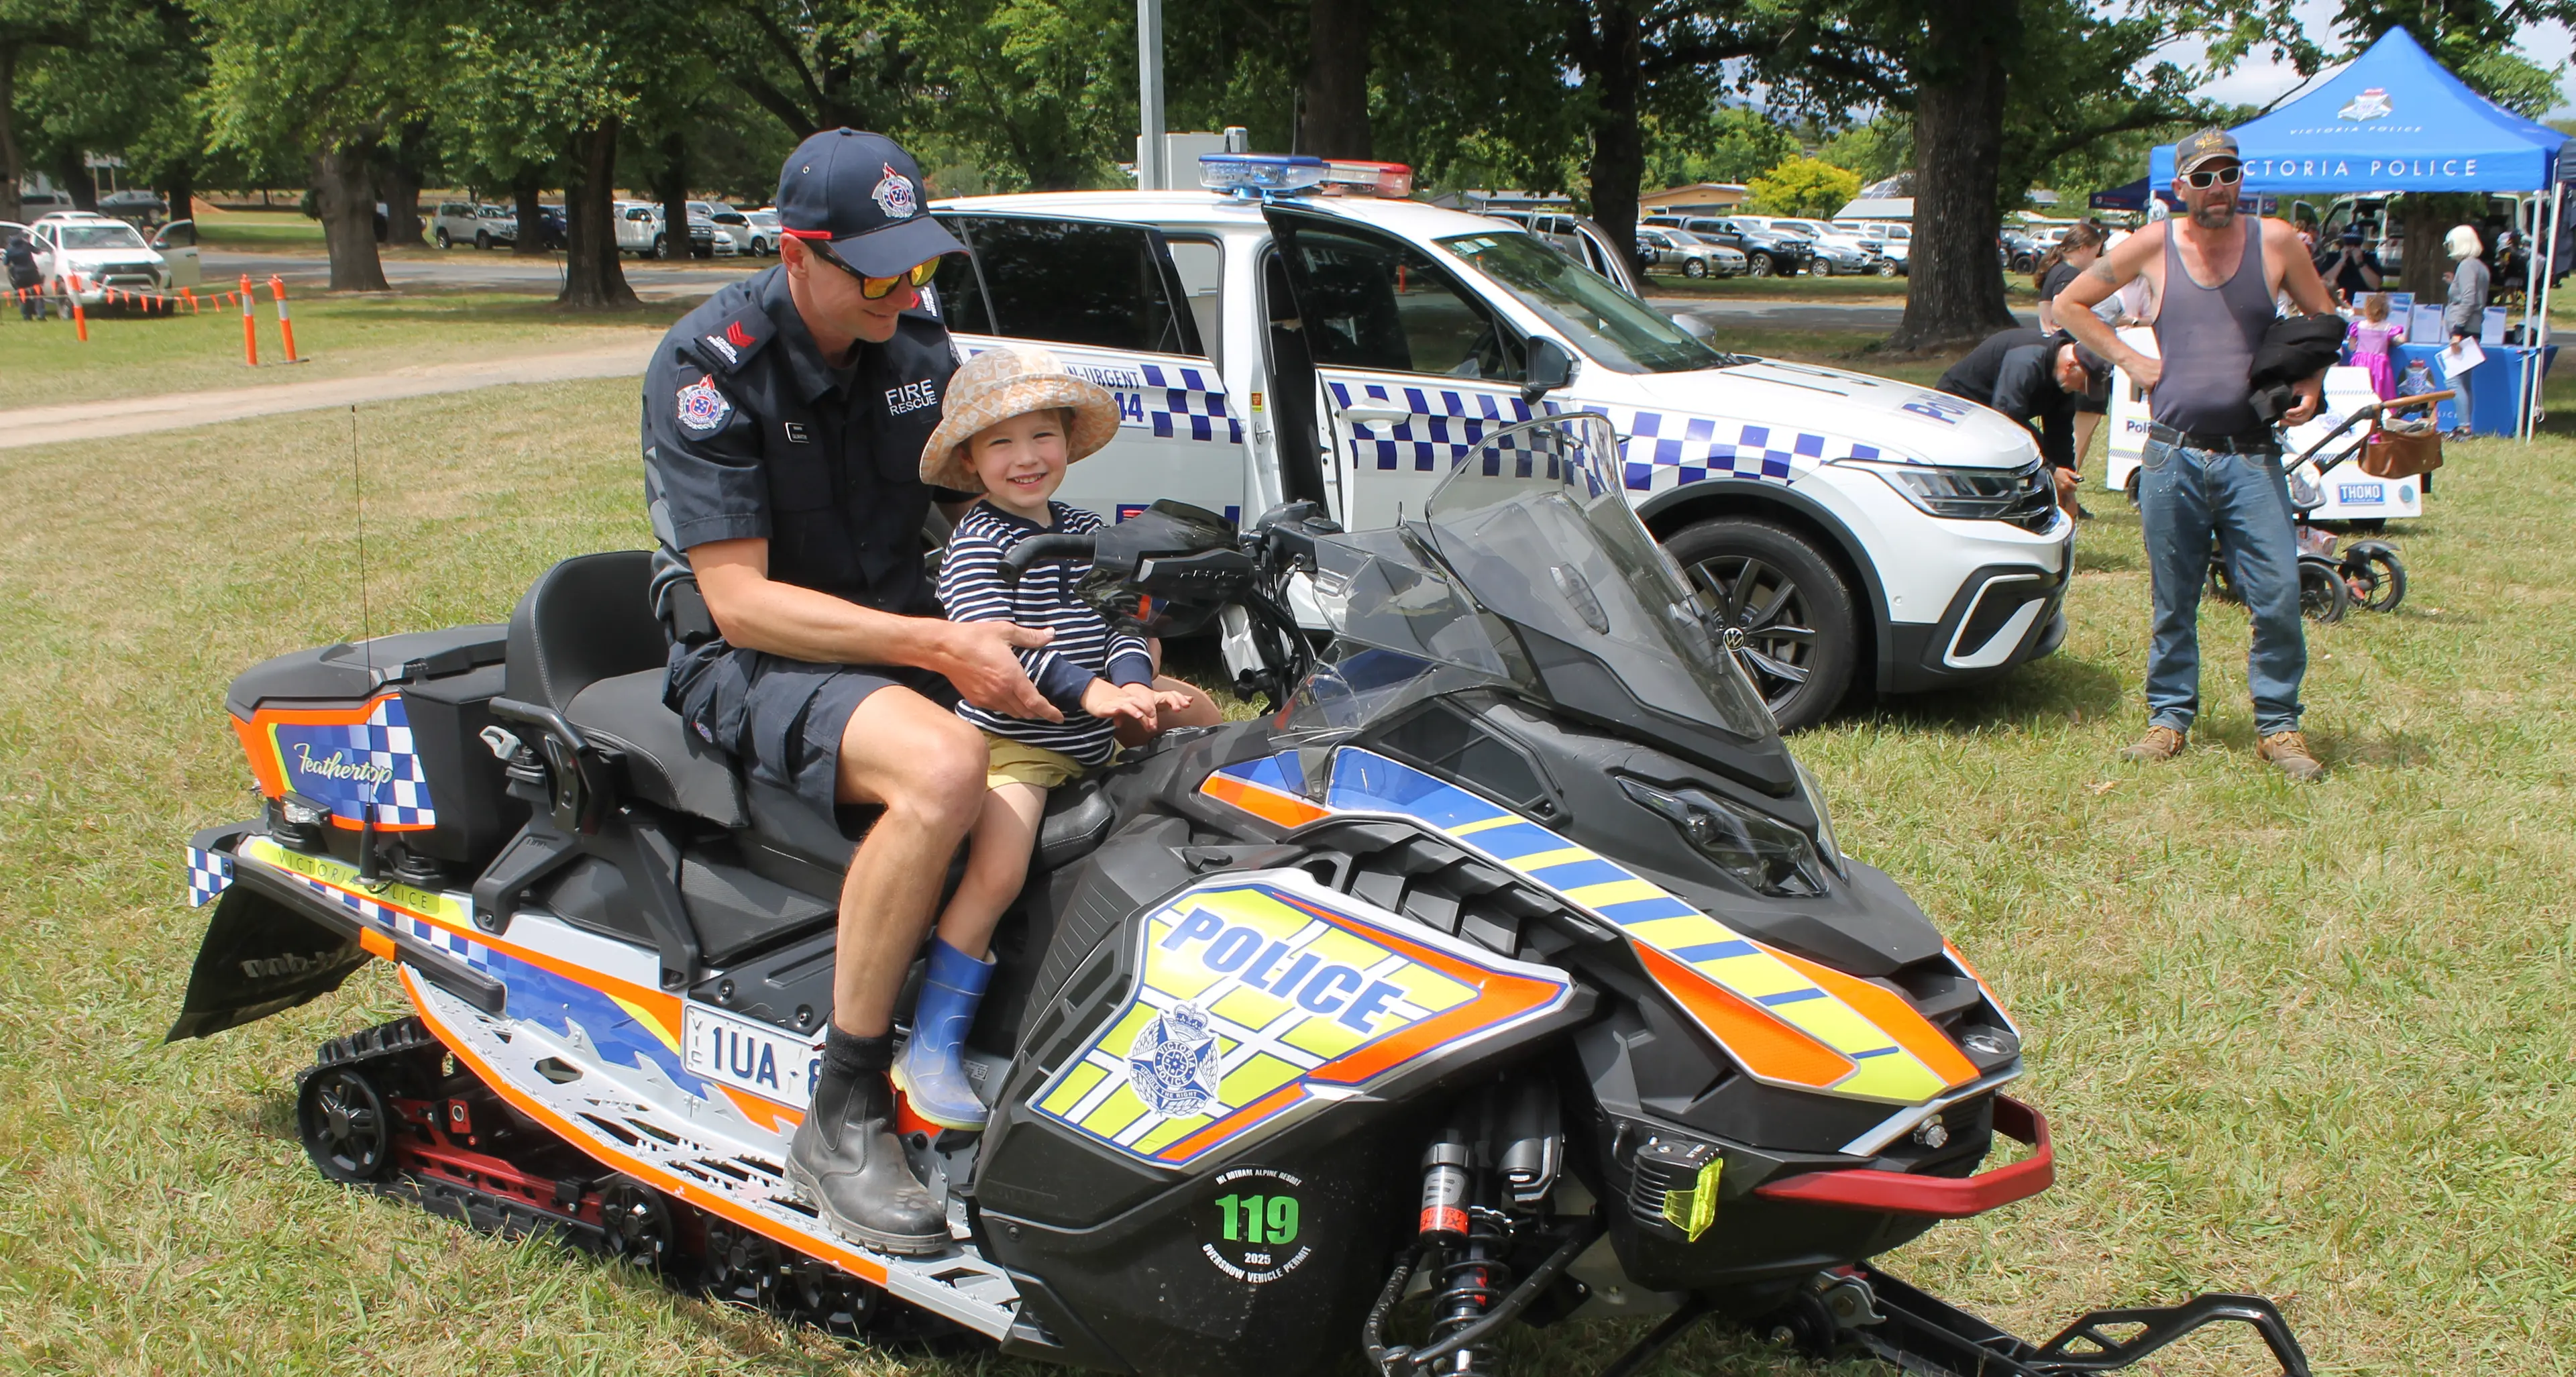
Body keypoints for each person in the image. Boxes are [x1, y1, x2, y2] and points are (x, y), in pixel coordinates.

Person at [641, 128, 1052, 1254]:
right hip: (760, 658)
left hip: (897, 630)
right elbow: (742, 603)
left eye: (917, 264)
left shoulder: (915, 340)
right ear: (796, 254)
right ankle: (845, 1105)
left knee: (1103, 731)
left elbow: (978, 496)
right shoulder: (709, 365)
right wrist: (940, 646)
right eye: (877, 269)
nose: (904, 290)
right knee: (947, 766)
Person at [898, 345, 1218, 1130]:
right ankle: (934, 1039)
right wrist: (1094, 692)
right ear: (970, 461)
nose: (1026, 458)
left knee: (1206, 716)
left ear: (1066, 442)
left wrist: (1137, 678)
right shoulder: (975, 545)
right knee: (997, 871)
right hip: (1018, 736)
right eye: (1001, 443)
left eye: (1041, 436)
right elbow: (1002, 649)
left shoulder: (1081, 528)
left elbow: (1119, 616)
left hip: (1098, 716)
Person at [2054, 126, 2335, 783]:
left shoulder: (2277, 243)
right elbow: (2069, 303)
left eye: (2228, 174)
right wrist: (2130, 359)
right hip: (2171, 455)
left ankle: (2279, 726)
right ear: (2179, 187)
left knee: (2278, 595)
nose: (2218, 188)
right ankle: (2169, 719)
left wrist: (2312, 386)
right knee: (2173, 597)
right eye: (2203, 177)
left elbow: (2325, 321)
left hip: (2253, 456)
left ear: (2242, 178)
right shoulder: (2153, 245)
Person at [1934, 326, 2110, 520]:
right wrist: (2050, 470)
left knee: (2039, 453)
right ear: (2070, 365)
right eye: (2083, 384)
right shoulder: (2026, 361)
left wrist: (2066, 486)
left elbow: (2060, 434)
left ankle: (2044, 512)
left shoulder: (2064, 381)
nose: (2083, 391)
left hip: (1998, 412)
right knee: (2016, 457)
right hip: (1960, 405)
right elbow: (2005, 423)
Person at [2443, 224, 2490, 437]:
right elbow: (2472, 295)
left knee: (2453, 379)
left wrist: (2457, 331)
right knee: (2464, 381)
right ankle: (2466, 425)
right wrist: (2454, 283)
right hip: (2472, 327)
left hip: (2464, 329)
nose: (2449, 248)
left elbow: (2469, 299)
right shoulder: (2479, 266)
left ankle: (2463, 427)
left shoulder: (2467, 266)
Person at [2034, 222, 2110, 333]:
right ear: (2083, 249)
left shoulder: (2057, 268)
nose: (2095, 259)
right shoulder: (2069, 273)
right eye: (2095, 253)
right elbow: (2063, 310)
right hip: (2060, 339)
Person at [2347, 291, 2406, 400]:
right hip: (2379, 364)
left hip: (2360, 361)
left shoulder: (2358, 326)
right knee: (2380, 392)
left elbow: (2351, 346)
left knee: (2358, 391)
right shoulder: (2387, 327)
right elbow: (2401, 340)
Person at [2318, 226, 2383, 305]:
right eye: (2348, 243)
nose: (2352, 247)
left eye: (2356, 244)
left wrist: (2360, 263)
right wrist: (2341, 261)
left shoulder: (2370, 257)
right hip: (2338, 303)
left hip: (2363, 304)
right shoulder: (2333, 257)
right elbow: (2325, 282)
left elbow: (2376, 285)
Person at [5, 229, 43, 321]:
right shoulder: (26, 245)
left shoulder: (9, 250)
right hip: (32, 272)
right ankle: (41, 314)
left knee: (23, 294)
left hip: (19, 274)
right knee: (38, 293)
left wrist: (10, 276)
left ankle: (27, 316)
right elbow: (38, 251)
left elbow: (6, 264)